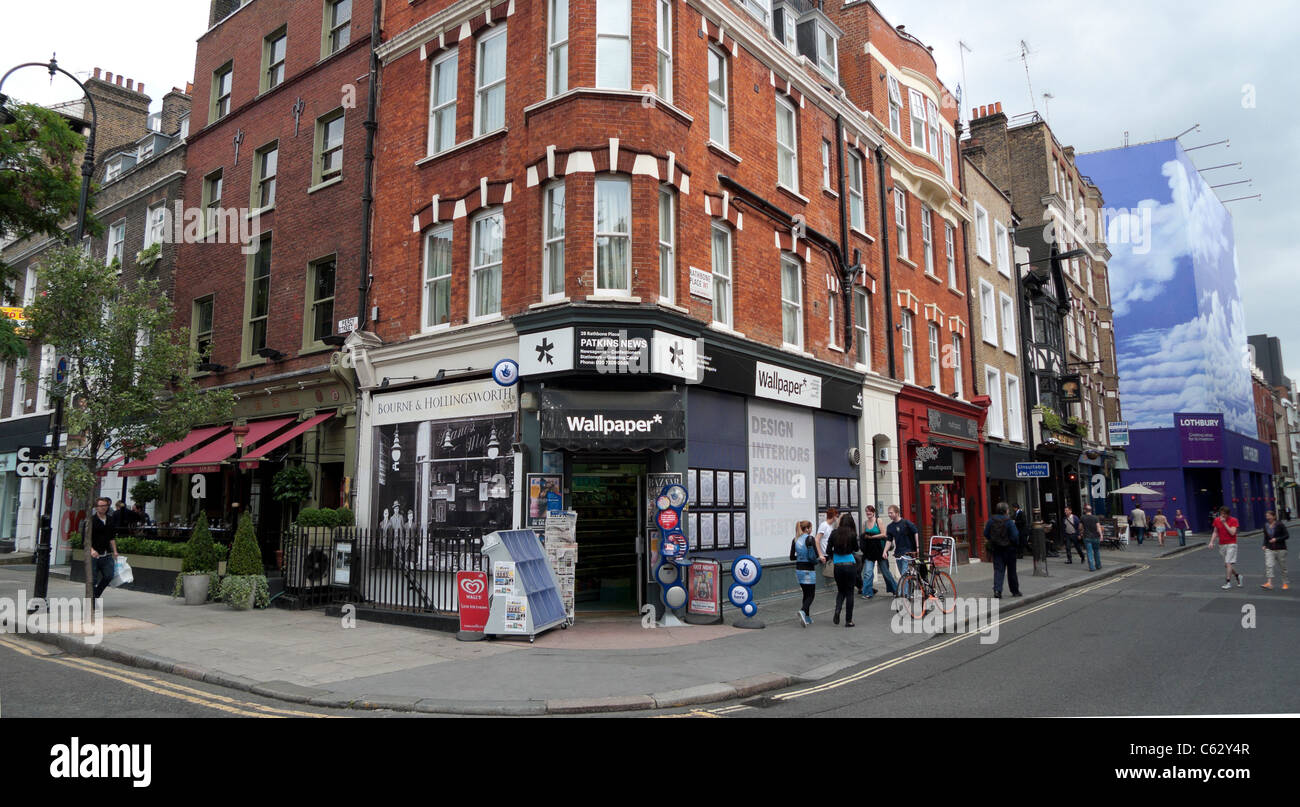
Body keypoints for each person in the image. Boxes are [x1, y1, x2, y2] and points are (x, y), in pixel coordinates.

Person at [983, 502, 1022, 598]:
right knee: (1012, 571)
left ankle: (997, 590)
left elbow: (986, 533)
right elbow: (1015, 536)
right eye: (1008, 509)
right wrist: (1015, 544)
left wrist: (993, 540)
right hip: (1009, 549)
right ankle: (1015, 591)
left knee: (998, 570)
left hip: (997, 549)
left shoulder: (991, 520)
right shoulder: (1008, 521)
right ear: (1006, 510)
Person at [829, 514, 859, 627]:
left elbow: (828, 549)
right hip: (850, 564)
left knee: (841, 591)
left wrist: (834, 556)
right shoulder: (852, 534)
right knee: (850, 592)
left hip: (838, 565)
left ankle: (837, 611)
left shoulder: (834, 533)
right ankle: (848, 620)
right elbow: (856, 548)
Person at [791, 520, 824, 625]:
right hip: (809, 569)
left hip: (799, 569)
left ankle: (807, 617)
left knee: (806, 593)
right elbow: (814, 555)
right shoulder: (810, 539)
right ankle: (802, 610)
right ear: (807, 529)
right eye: (811, 528)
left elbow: (792, 557)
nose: (812, 530)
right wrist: (820, 558)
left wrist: (800, 556)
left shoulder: (795, 540)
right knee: (811, 594)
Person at [859, 506, 894, 598]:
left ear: (873, 512)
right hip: (869, 552)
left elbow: (884, 534)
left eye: (870, 511)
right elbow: (863, 536)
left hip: (879, 550)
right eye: (866, 512)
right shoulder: (864, 523)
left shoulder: (879, 521)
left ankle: (896, 589)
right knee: (868, 573)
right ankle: (867, 592)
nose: (868, 513)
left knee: (886, 572)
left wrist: (872, 537)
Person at [88, 497, 119, 600]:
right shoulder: (91, 520)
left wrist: (115, 551)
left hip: (106, 554)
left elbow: (112, 537)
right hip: (94, 555)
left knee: (109, 575)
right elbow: (85, 539)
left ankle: (96, 594)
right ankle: (91, 601)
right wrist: (92, 550)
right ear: (96, 507)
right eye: (100, 506)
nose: (103, 508)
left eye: (105, 506)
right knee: (93, 579)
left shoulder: (110, 519)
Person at [1209, 506, 1241, 589]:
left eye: (1224, 514)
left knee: (1228, 562)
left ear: (1228, 514)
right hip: (1222, 544)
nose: (1222, 516)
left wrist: (1224, 523)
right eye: (1221, 514)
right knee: (1227, 564)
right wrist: (1211, 542)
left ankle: (1228, 582)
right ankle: (1238, 576)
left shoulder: (1234, 520)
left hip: (1231, 544)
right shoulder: (1216, 520)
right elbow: (1215, 532)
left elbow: (1232, 533)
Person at [885, 505, 918, 581]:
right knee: (903, 574)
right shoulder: (890, 526)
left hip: (908, 552)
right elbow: (889, 540)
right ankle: (910, 590)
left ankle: (903, 593)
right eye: (888, 513)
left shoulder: (906, 523)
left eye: (891, 513)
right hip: (898, 553)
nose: (889, 515)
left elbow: (916, 532)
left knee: (904, 575)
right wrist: (885, 551)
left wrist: (918, 547)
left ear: (897, 513)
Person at [1261, 510, 1289, 591]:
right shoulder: (1265, 525)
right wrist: (1264, 545)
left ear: (1274, 517)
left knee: (1282, 567)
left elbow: (1287, 535)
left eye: (1269, 516)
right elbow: (1266, 537)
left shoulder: (1280, 524)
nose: (1268, 517)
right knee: (1268, 565)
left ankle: (1285, 583)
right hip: (1270, 548)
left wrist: (1276, 539)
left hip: (1281, 549)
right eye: (1267, 516)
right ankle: (1269, 583)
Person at [817, 507, 840, 581]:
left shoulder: (831, 526)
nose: (837, 518)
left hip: (829, 554)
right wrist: (820, 554)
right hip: (824, 555)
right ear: (834, 516)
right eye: (837, 516)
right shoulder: (824, 525)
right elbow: (817, 539)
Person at [1080, 504, 1102, 571]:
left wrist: (1081, 532)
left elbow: (1080, 527)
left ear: (1085, 510)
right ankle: (1098, 565)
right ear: (1090, 510)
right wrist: (1101, 535)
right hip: (1096, 537)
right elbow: (1098, 527)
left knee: (1089, 552)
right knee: (1097, 551)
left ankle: (1092, 567)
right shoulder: (1095, 517)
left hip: (1087, 537)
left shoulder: (1082, 517)